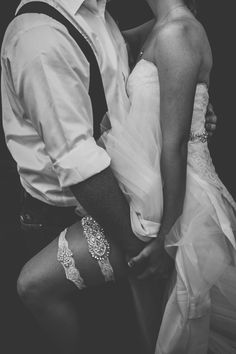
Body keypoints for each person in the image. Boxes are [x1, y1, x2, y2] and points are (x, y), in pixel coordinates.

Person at [1, 0, 217, 353]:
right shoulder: (40, 37)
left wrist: (191, 103)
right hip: (73, 213)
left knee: (133, 333)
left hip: (143, 198)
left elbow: (110, 61)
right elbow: (79, 162)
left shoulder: (100, 14)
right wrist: (143, 251)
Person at [103, 0, 236, 353]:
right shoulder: (157, 27)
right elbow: (103, 39)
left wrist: (169, 238)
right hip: (157, 190)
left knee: (183, 327)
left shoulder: (178, 30)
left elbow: (174, 146)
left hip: (182, 199)